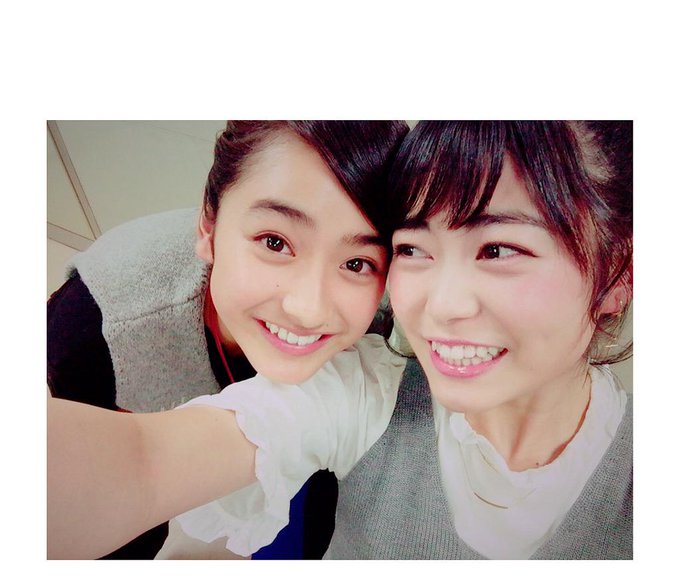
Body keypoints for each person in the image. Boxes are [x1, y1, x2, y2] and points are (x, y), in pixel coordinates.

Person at [48, 121, 633, 559]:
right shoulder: (367, 391)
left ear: (619, 273)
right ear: (209, 225)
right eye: (414, 249)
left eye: (499, 250)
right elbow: (145, 463)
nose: (438, 307)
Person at [46, 119, 409, 559]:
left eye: (356, 264)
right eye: (274, 242)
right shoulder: (97, 326)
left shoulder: (386, 317)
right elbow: (118, 477)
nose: (309, 309)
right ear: (208, 226)